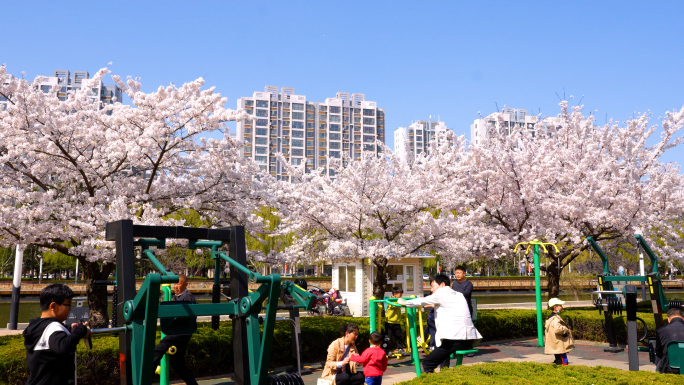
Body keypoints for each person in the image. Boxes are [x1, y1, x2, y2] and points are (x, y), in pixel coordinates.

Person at [397, 274, 482, 374]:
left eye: (433, 286)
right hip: (469, 340)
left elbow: (421, 300)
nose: (432, 290)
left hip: (455, 339)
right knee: (441, 352)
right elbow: (449, 305)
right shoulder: (458, 294)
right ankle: (444, 376)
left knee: (427, 363)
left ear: (442, 284)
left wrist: (404, 302)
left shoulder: (441, 293)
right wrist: (433, 305)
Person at [23, 283, 91, 385]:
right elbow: (63, 347)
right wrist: (82, 330)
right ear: (53, 306)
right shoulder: (53, 326)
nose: (70, 309)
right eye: (68, 304)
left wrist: (70, 330)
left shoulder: (37, 326)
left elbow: (53, 343)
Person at [152, 274, 198, 385]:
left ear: (185, 284)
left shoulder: (187, 298)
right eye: (175, 284)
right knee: (177, 364)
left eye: (179, 283)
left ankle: (145, 376)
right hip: (181, 332)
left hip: (179, 332)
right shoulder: (178, 297)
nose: (176, 286)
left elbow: (188, 318)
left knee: (157, 350)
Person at [544, 298, 574, 365]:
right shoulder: (555, 318)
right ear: (555, 307)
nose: (562, 307)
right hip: (559, 343)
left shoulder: (550, 317)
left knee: (558, 359)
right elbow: (557, 329)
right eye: (560, 306)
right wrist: (566, 329)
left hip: (555, 342)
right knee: (563, 361)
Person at [655, 307, 684, 373]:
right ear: (683, 318)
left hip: (669, 368)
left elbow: (659, 352)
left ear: (668, 318)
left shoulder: (661, 330)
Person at [384, 286, 407, 355]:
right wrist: (401, 302)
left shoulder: (398, 300)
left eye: (401, 295)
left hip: (397, 322)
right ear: (395, 295)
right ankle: (385, 349)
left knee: (399, 336)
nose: (401, 296)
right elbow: (395, 305)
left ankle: (400, 348)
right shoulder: (390, 300)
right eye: (400, 295)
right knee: (388, 337)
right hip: (389, 322)